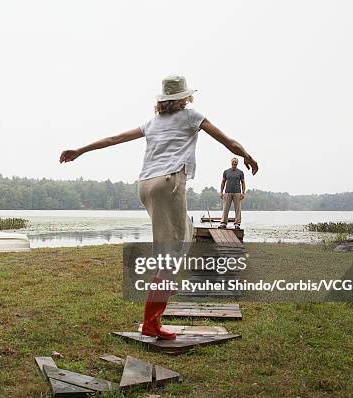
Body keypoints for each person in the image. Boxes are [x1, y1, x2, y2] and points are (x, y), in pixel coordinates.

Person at [59, 75, 258, 339]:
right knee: (170, 254)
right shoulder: (191, 116)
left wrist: (80, 150)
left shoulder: (152, 122)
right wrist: (247, 155)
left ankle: (160, 294)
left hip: (146, 186)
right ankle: (152, 320)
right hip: (169, 183)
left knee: (184, 232)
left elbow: (114, 138)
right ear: (183, 98)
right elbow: (227, 141)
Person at [219, 157, 245, 229]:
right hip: (227, 192)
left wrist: (243, 193)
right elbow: (223, 182)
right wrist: (221, 192)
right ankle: (223, 223)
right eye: (233, 162)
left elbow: (243, 183)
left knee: (238, 209)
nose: (234, 163)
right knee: (225, 208)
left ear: (237, 163)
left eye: (236, 162)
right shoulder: (226, 172)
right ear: (231, 162)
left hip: (237, 192)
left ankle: (237, 224)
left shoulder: (240, 172)